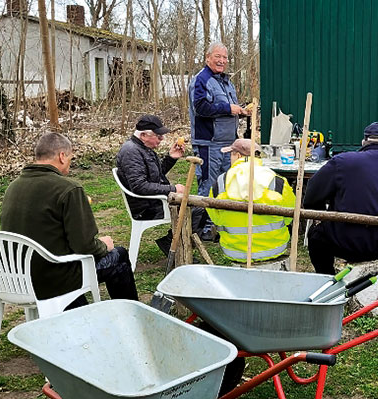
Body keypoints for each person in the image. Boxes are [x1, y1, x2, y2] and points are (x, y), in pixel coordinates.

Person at [0, 132, 138, 308]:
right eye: (71, 158)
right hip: (54, 280)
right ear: (62, 156)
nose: (70, 165)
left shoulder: (13, 187)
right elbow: (84, 246)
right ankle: (130, 315)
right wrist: (104, 246)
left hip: (16, 280)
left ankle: (76, 308)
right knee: (119, 256)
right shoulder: (69, 189)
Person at [304, 121, 378, 284]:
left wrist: (325, 215)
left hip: (346, 243)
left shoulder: (341, 162)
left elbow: (311, 198)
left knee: (316, 235)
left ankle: (327, 279)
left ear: (364, 142)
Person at [115, 114, 211, 255]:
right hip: (147, 207)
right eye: (158, 136)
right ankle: (176, 247)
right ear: (143, 135)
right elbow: (140, 186)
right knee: (198, 208)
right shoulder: (131, 152)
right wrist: (173, 189)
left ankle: (174, 242)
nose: (161, 139)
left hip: (152, 202)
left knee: (199, 206)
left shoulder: (141, 148)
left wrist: (171, 158)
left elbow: (154, 176)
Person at [206, 139, 296, 262]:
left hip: (234, 251)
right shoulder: (276, 181)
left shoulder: (221, 182)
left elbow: (215, 217)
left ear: (237, 155)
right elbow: (289, 215)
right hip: (274, 248)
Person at [188, 41, 247, 199]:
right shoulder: (202, 80)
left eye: (225, 57)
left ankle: (219, 224)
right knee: (208, 189)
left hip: (228, 145)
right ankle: (203, 224)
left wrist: (240, 111)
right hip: (209, 145)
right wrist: (228, 109)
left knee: (226, 186)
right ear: (208, 57)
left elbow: (226, 109)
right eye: (217, 56)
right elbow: (200, 108)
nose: (222, 60)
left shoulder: (226, 82)